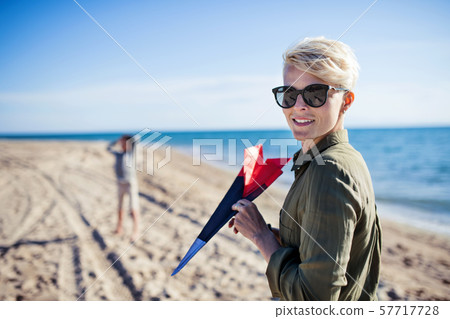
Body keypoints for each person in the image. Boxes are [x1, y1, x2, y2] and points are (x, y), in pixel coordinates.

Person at [229, 37, 381, 301]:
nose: (299, 105)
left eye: (315, 93)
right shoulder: (336, 159)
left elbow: (313, 300)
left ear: (346, 101)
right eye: (289, 94)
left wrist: (262, 237)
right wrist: (263, 232)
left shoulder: (330, 170)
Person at [107, 135, 140, 242]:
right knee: (120, 208)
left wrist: (129, 140)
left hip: (130, 184)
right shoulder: (118, 154)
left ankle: (136, 232)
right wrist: (116, 141)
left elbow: (136, 140)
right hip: (120, 183)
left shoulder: (131, 154)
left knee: (133, 208)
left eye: (124, 143)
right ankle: (119, 228)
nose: (122, 145)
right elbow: (108, 148)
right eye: (121, 143)